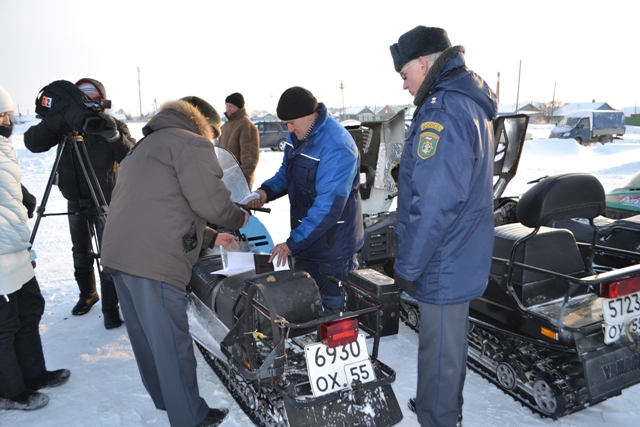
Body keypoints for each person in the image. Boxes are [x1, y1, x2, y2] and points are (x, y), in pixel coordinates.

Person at [100, 96, 250, 427]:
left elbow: (165, 203)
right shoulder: (191, 144)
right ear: (205, 126)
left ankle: (167, 399)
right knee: (172, 344)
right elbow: (211, 202)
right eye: (214, 134)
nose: (213, 142)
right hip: (153, 259)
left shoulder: (147, 144)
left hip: (121, 253)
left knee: (147, 338)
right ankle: (189, 417)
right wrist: (239, 217)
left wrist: (211, 237)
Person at [389, 26, 498, 427]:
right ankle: (446, 411)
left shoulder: (442, 109)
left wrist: (407, 267)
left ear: (422, 62)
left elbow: (434, 204)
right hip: (460, 252)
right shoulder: (466, 102)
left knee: (438, 356)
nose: (404, 86)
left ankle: (439, 418)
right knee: (448, 353)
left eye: (404, 75)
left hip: (443, 260)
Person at [24, 78, 135, 330]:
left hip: (107, 199)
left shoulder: (114, 124)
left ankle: (111, 307)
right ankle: (88, 294)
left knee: (110, 254)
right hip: (75, 197)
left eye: (94, 100)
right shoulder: (65, 127)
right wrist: (58, 118)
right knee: (80, 250)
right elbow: (32, 142)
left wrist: (114, 136)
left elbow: (133, 156)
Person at [247, 86, 363, 311]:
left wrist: (292, 243)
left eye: (291, 123)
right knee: (306, 311)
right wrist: (265, 192)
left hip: (333, 252)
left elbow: (328, 208)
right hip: (306, 245)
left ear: (310, 115)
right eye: (285, 124)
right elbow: (286, 174)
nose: (288, 129)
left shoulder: (337, 146)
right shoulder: (297, 134)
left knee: (334, 318)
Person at [0, 84, 71, 411]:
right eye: (1, 115)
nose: (7, 121)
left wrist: (22, 195)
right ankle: (9, 392)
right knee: (4, 324)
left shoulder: (2, 149)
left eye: (7, 114)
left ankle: (33, 374)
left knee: (29, 310)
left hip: (15, 245)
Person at [217, 92, 260, 187]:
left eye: (231, 106)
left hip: (239, 182)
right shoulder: (226, 125)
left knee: (238, 203)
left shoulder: (246, 125)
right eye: (227, 106)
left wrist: (242, 179)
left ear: (239, 107)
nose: (228, 109)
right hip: (226, 178)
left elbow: (249, 158)